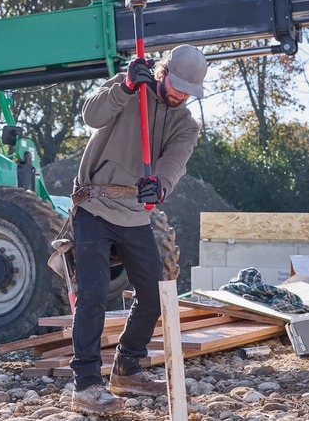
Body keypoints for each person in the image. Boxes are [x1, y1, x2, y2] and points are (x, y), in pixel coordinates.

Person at [68, 44, 208, 415]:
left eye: (187, 91)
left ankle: (127, 367)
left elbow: (174, 164)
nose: (179, 95)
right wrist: (126, 87)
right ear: (162, 72)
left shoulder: (186, 124)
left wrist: (159, 186)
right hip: (94, 205)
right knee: (93, 293)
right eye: (176, 84)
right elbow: (91, 116)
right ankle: (86, 384)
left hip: (134, 212)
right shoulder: (129, 86)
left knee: (153, 294)